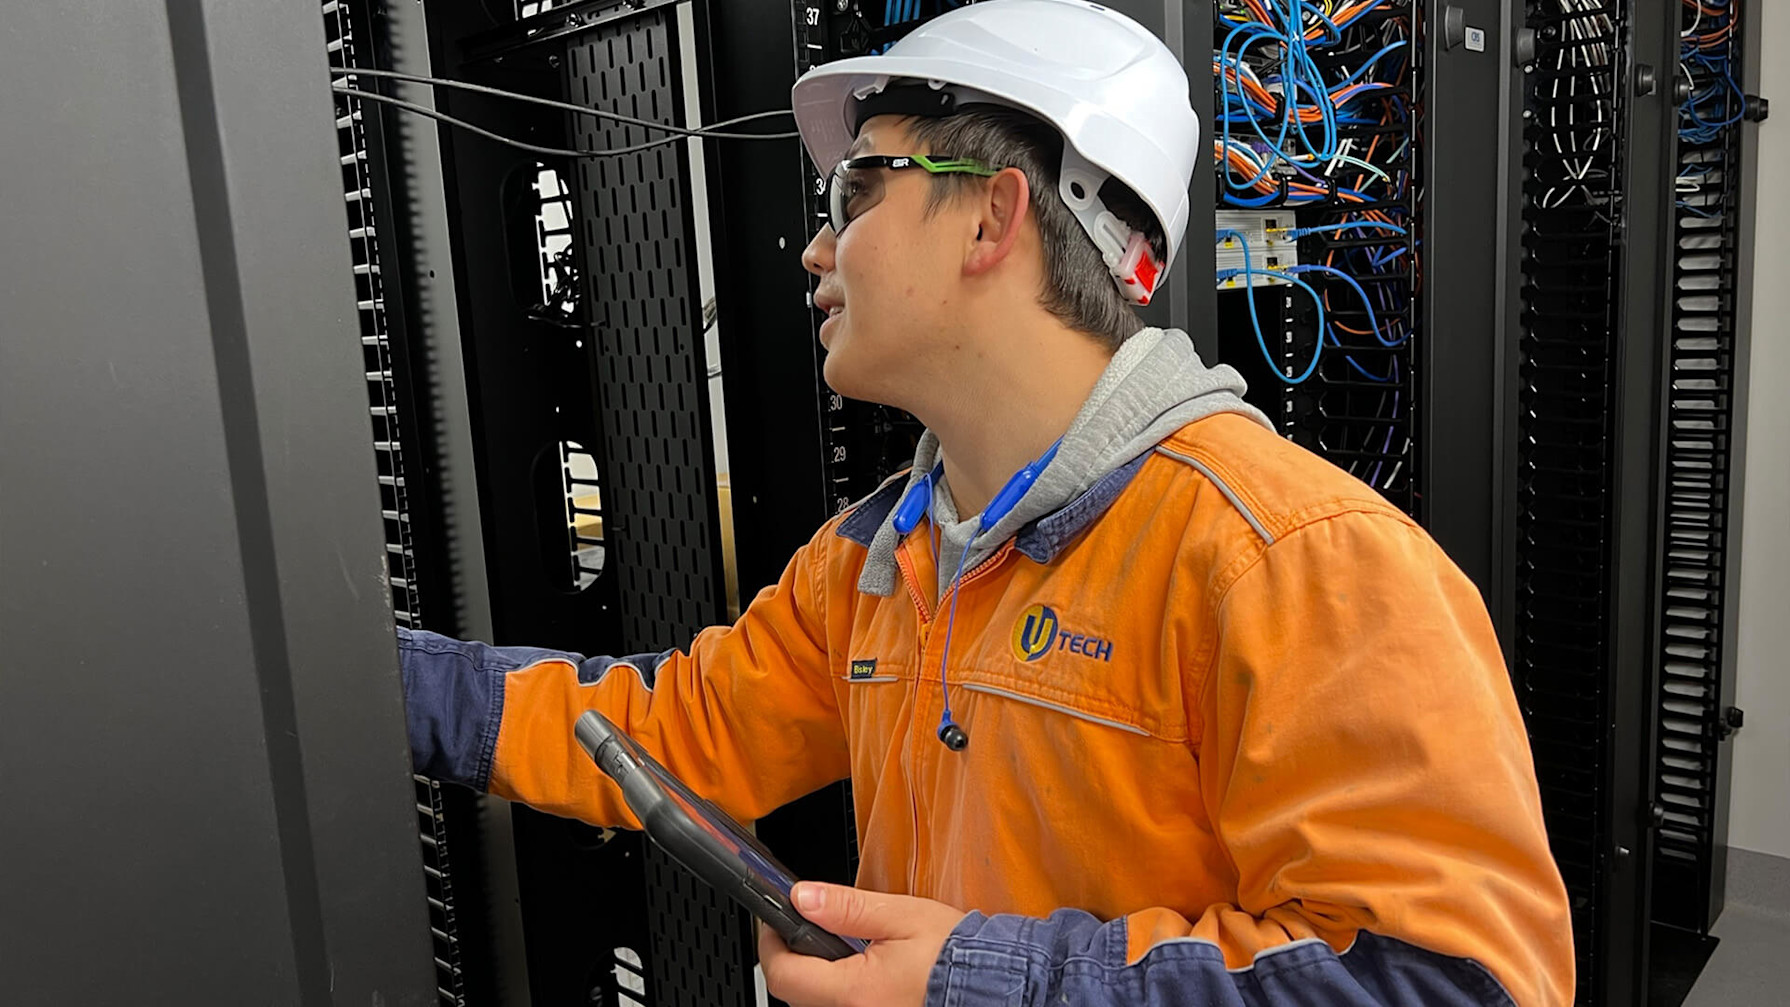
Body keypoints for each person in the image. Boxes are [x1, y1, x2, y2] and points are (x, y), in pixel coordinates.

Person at [399, 1, 1575, 1004]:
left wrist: (977, 976)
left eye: (855, 187)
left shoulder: (1294, 560)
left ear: (993, 215)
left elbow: (1454, 975)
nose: (814, 247)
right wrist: (357, 673)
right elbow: (670, 729)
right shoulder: (878, 556)